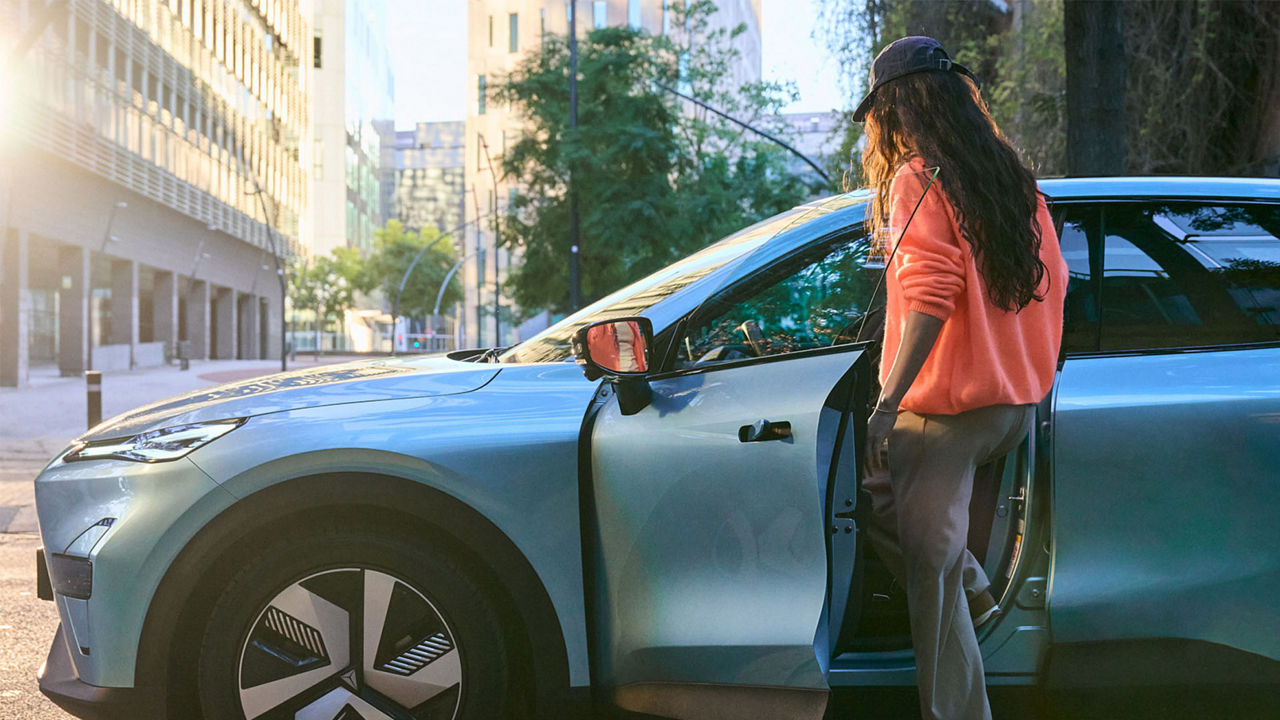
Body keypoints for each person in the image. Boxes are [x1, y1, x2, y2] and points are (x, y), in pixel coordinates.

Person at [853, 36, 1068, 720]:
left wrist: (887, 405)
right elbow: (1056, 281)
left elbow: (928, 300)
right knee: (889, 503)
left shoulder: (919, 179)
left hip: (942, 414)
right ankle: (971, 581)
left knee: (929, 592)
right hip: (1008, 408)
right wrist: (1027, 371)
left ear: (894, 106)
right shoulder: (1010, 177)